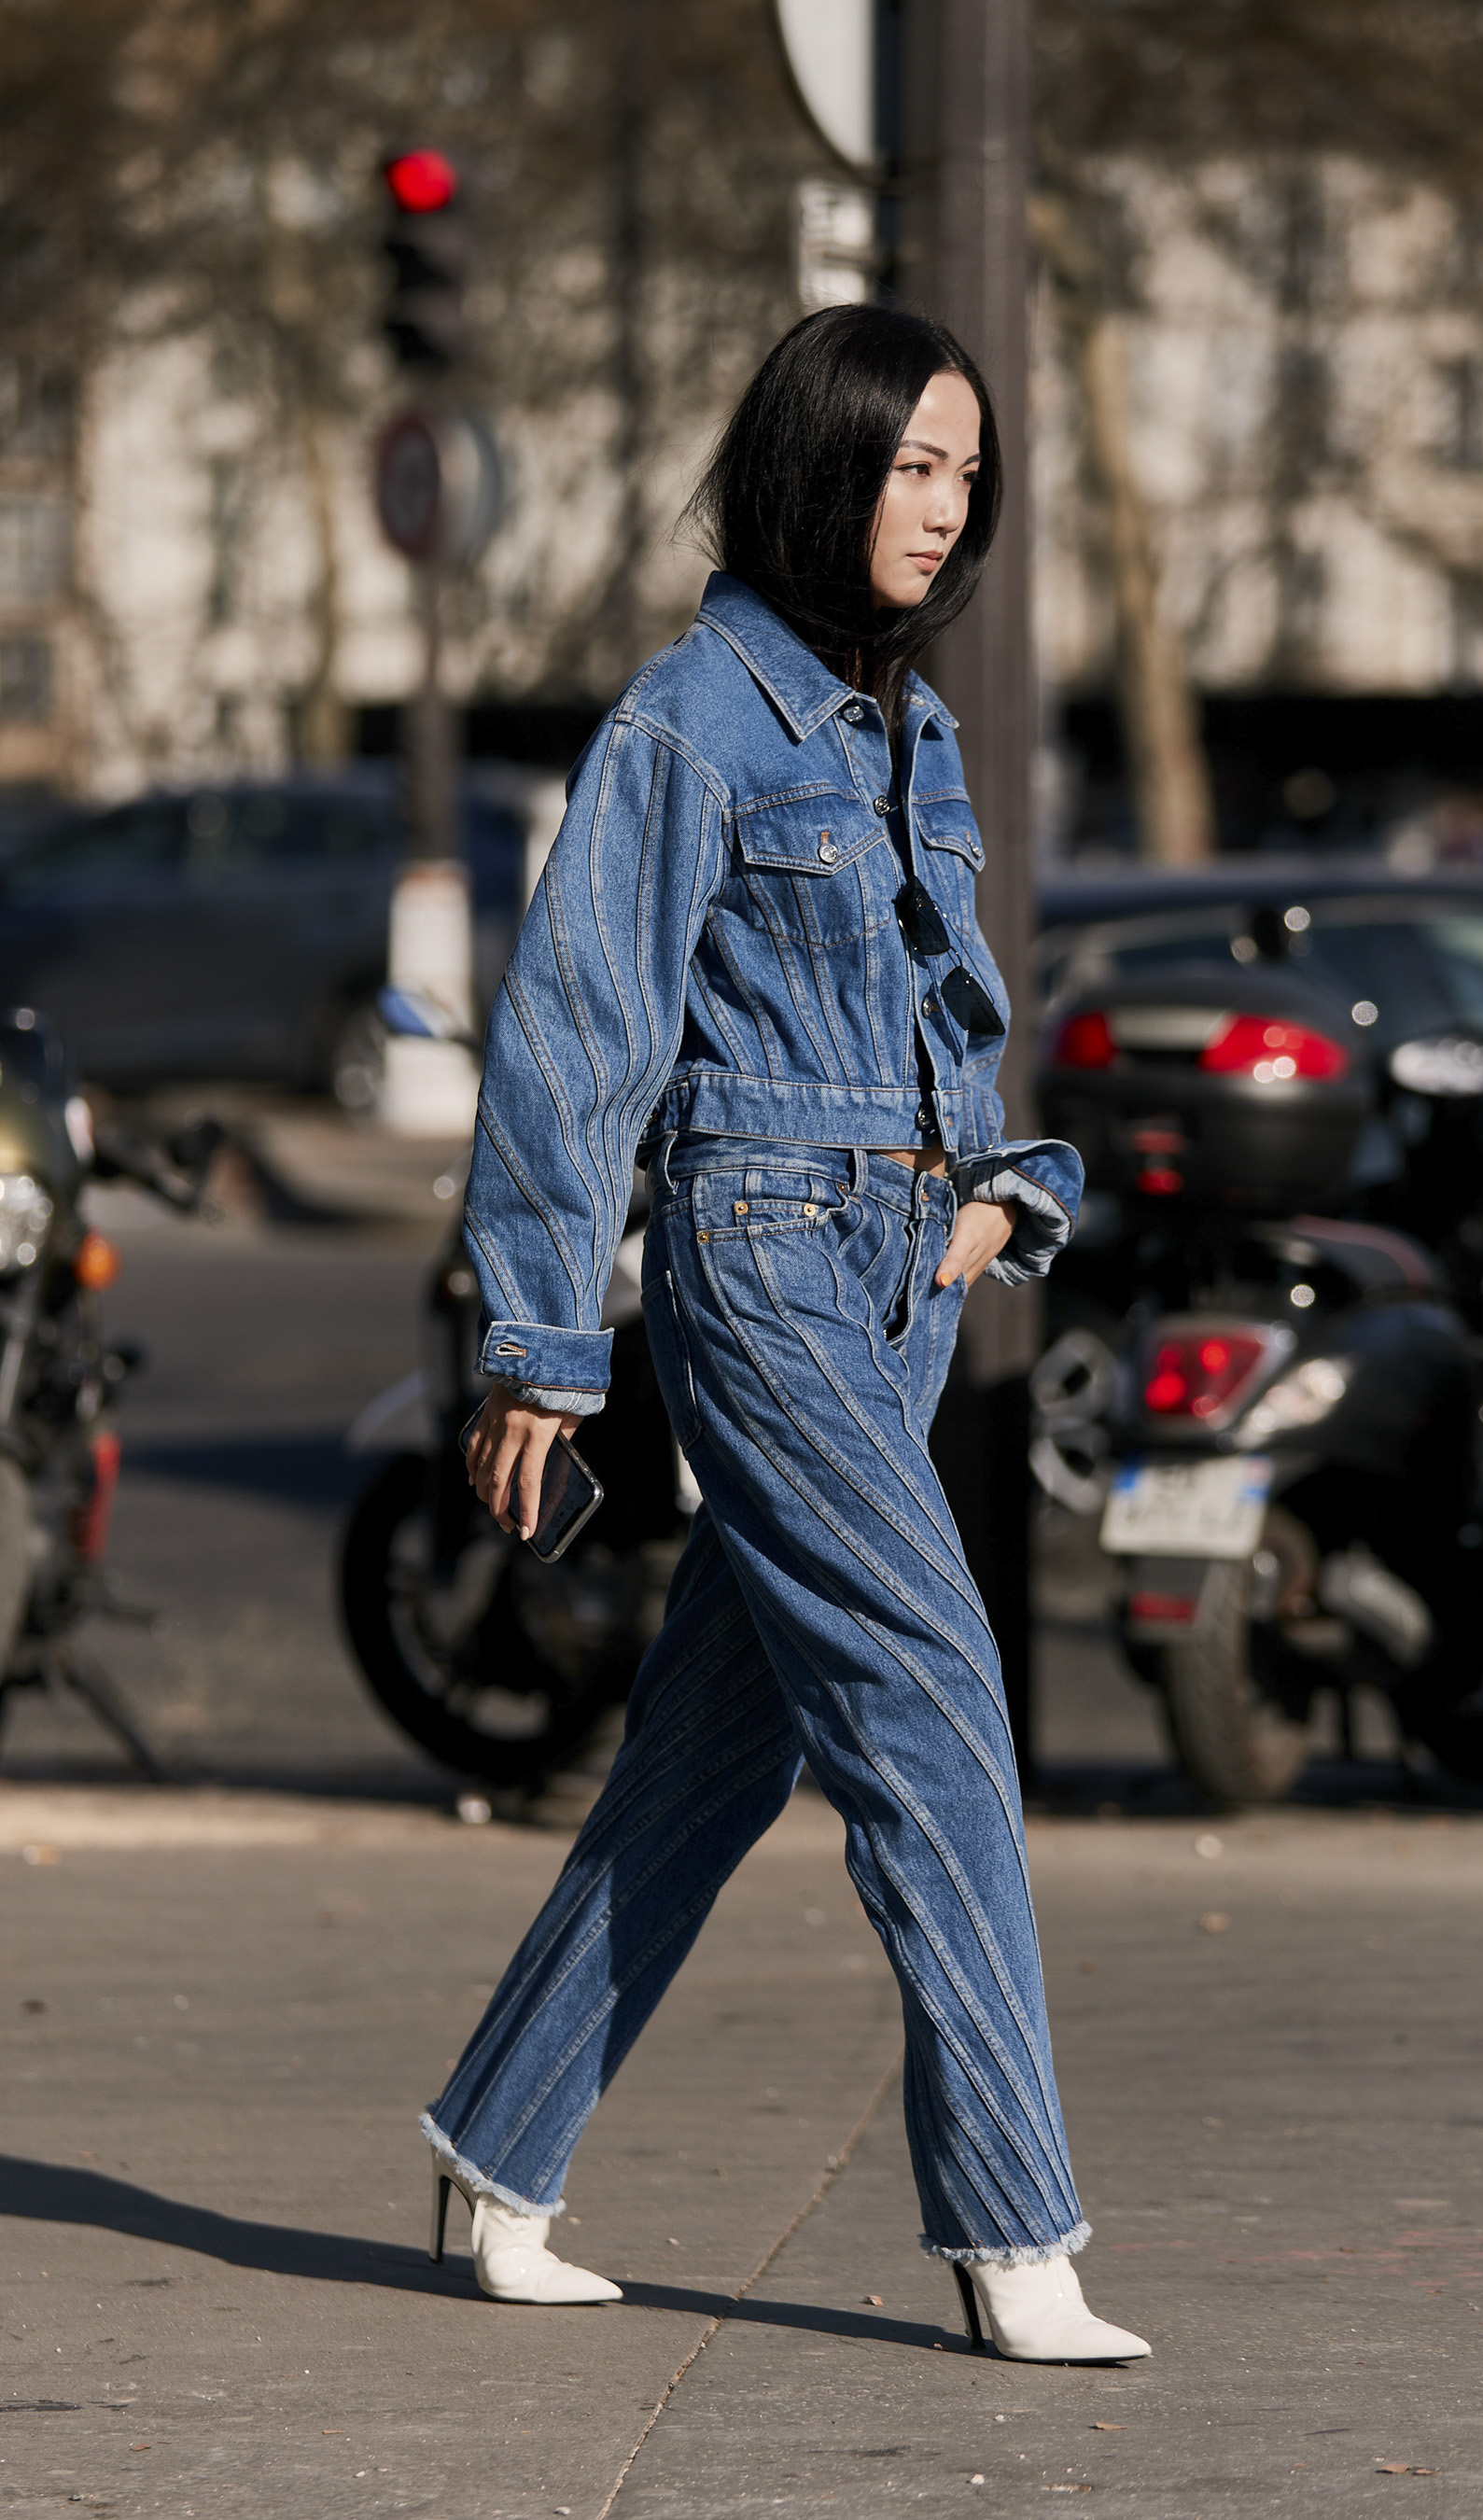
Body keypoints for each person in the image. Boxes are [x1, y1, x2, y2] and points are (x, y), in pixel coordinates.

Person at [420, 303, 1150, 2366]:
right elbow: (579, 1029)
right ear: (820, 465)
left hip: (904, 1270)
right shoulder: (691, 720)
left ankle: (495, 2150)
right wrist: (541, 1342)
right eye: (914, 464)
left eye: (967, 475)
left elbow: (946, 1010)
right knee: (935, 1698)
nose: (948, 508)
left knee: (717, 1750)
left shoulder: (910, 735)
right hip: (756, 1256)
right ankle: (1014, 2235)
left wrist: (994, 1188)